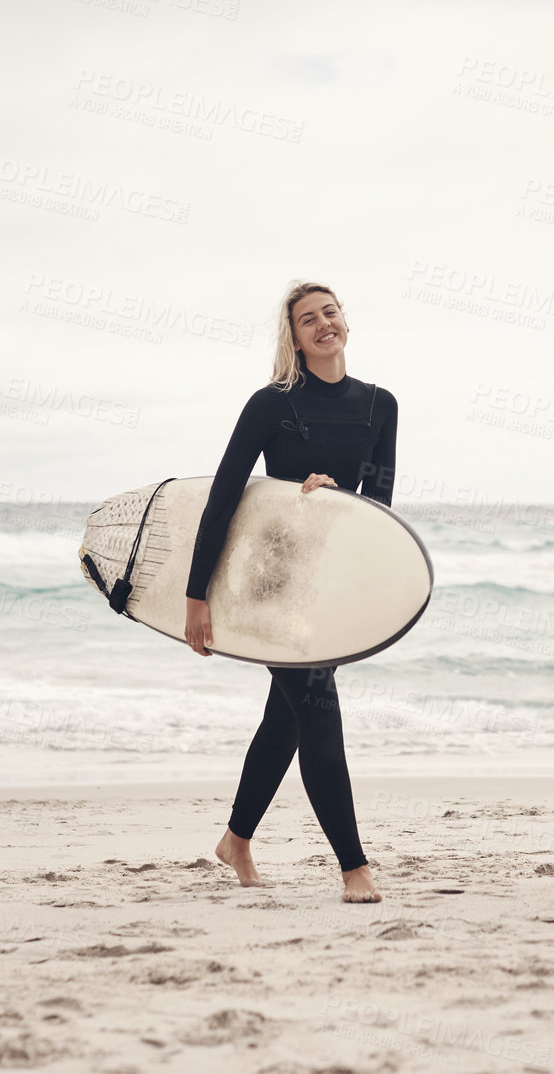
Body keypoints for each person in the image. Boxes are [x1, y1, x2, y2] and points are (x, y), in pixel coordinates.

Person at [183, 281, 398, 904]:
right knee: (318, 710)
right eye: (308, 320)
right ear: (296, 339)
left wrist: (333, 504)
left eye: (330, 313)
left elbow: (378, 509)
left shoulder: (381, 405)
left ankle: (236, 840)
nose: (323, 324)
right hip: (270, 581)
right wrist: (197, 595)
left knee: (289, 717)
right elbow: (225, 496)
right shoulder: (270, 405)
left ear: (345, 323)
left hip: (325, 583)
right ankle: (354, 868)